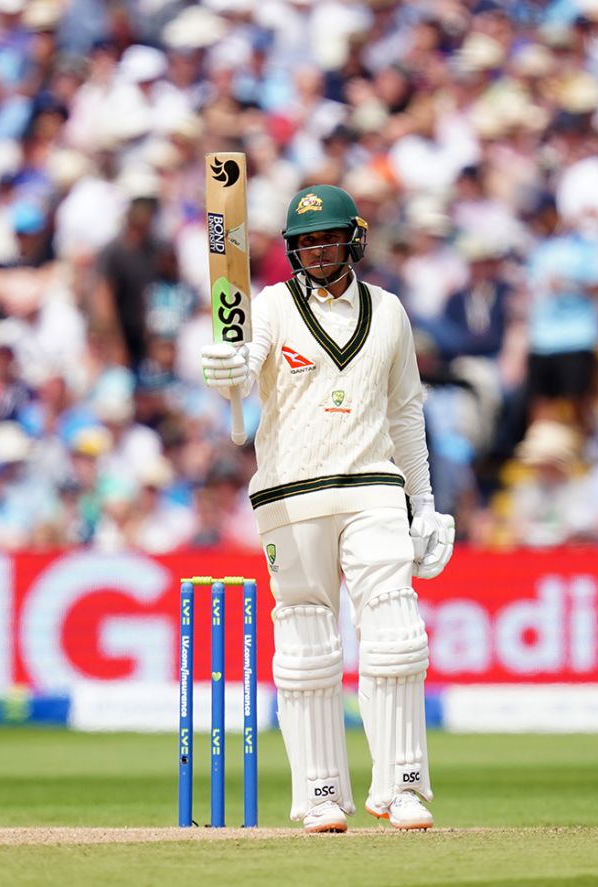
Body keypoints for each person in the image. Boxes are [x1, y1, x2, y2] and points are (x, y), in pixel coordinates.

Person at [200, 184, 454, 834]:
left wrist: (423, 504)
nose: (317, 250)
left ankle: (401, 786)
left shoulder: (389, 311)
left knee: (397, 632)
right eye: (306, 241)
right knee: (306, 646)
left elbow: (406, 413)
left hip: (374, 487)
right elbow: (245, 365)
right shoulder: (271, 305)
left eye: (328, 238)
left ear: (353, 240)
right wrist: (228, 367)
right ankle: (320, 793)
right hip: (291, 493)